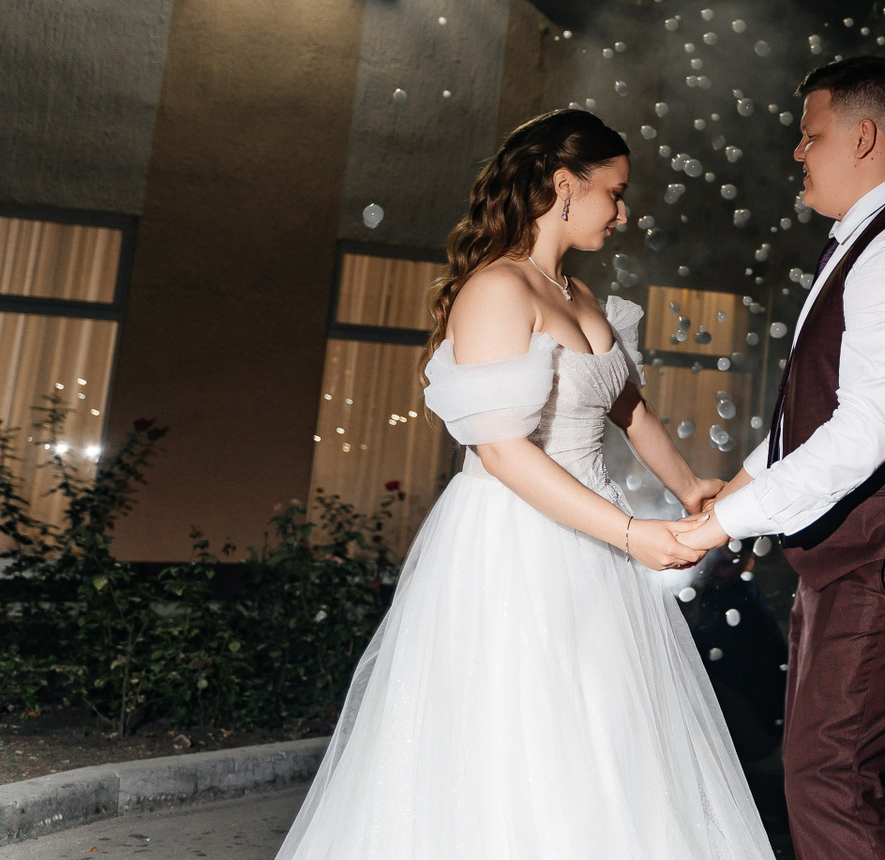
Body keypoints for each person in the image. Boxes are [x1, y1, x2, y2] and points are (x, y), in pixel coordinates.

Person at [277, 109, 772, 860]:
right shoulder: (497, 291)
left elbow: (629, 408)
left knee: (607, 729)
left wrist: (689, 487)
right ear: (565, 185)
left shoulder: (582, 296)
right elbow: (504, 452)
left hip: (594, 545)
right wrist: (630, 534)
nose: (625, 213)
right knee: (523, 732)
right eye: (615, 193)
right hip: (516, 542)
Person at [671, 56, 885, 860]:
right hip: (869, 546)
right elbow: (814, 416)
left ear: (863, 137)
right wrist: (733, 496)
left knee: (829, 777)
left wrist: (720, 529)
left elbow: (863, 435)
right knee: (820, 770)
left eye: (809, 135)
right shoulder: (868, 241)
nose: (797, 152)